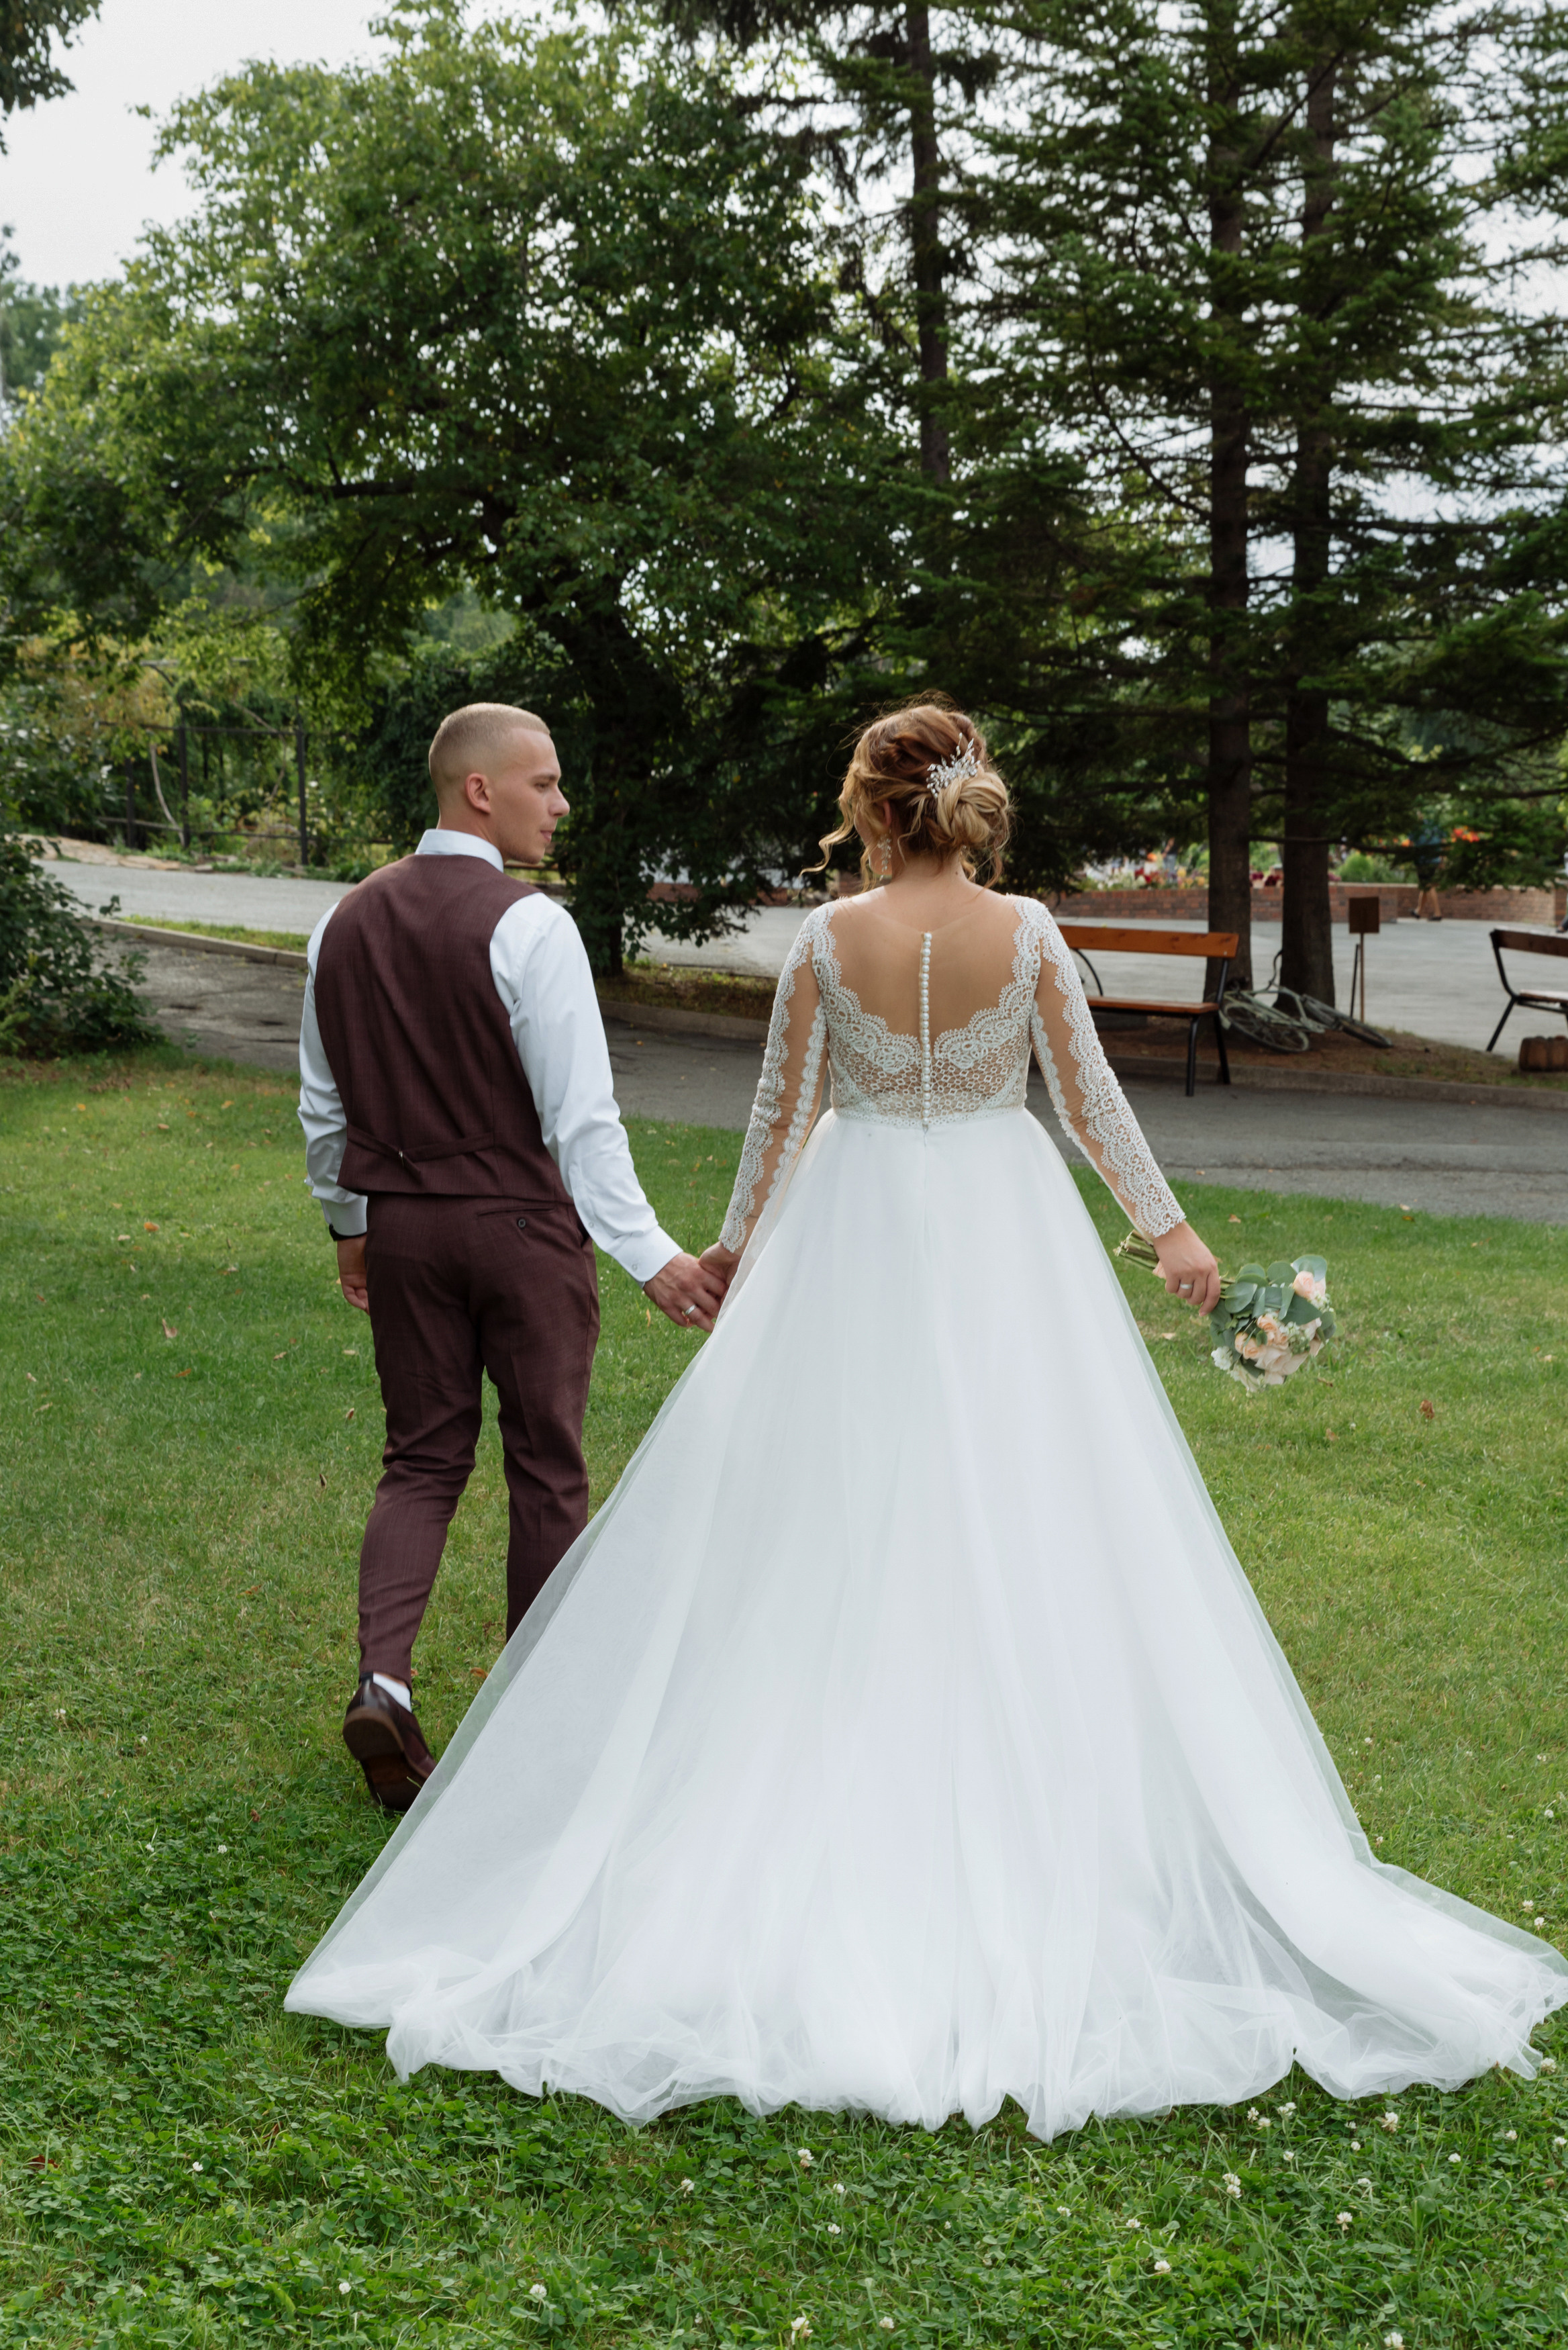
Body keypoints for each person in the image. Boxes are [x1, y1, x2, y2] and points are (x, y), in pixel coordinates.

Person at [288, 704, 1566, 2138]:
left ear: (868, 807)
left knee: (831, 1497)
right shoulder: (1028, 934)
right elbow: (1089, 1102)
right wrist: (1171, 1231)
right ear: (964, 800)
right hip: (1004, 1224)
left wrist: (732, 1256)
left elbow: (780, 1119)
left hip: (852, 1226)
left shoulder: (827, 941)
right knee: (1028, 1487)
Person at [297, 702, 725, 1812]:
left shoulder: (341, 922)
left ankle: (384, 1682)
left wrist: (351, 1227)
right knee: (544, 1462)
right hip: (523, 1234)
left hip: (405, 1230)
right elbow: (582, 1122)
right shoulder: (530, 926)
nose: (561, 805)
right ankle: (540, 1717)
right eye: (545, 783)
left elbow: (323, 1106)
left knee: (420, 1459)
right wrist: (653, 1257)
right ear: (478, 790)